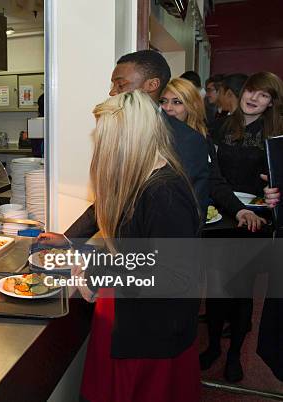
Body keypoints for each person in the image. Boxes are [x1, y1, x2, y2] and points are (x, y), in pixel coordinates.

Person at [76, 91, 202, 401]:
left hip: (150, 334)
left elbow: (172, 277)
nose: (102, 146)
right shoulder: (139, 178)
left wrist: (96, 274)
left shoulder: (164, 192)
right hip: (131, 316)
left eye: (107, 137)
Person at [58, 49, 209, 241]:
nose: (112, 92)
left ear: (152, 85)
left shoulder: (187, 141)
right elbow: (113, 197)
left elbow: (187, 217)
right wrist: (70, 239)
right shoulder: (122, 137)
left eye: (120, 84)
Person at [201, 72, 283, 382]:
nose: (254, 98)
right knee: (215, 288)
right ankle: (212, 349)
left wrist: (273, 191)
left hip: (255, 220)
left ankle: (235, 354)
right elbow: (210, 171)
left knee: (241, 292)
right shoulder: (221, 125)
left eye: (264, 96)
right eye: (252, 91)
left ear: (271, 102)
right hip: (220, 217)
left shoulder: (276, 134)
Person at [159, 77, 265, 231]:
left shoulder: (201, 139)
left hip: (191, 221)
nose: (168, 108)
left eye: (177, 102)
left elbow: (213, 180)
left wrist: (240, 210)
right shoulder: (151, 138)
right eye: (163, 101)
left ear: (191, 106)